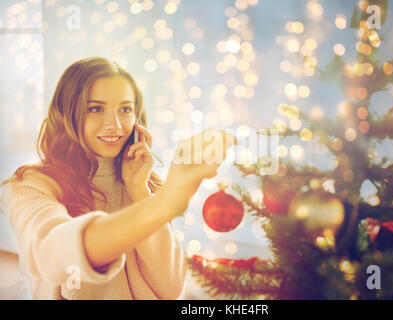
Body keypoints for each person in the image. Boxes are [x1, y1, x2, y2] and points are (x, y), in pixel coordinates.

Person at [0, 57, 235, 300]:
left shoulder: (143, 183)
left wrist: (139, 190)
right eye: (95, 108)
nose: (115, 125)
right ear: (67, 113)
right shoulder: (28, 186)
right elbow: (51, 255)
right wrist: (162, 205)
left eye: (125, 109)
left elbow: (171, 288)